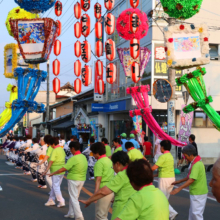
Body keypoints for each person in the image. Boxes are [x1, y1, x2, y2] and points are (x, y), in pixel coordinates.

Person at [80, 151, 136, 220]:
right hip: (132, 209)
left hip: (121, 208)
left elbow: (102, 192)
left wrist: (89, 200)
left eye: (113, 165)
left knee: (100, 215)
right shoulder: (133, 171)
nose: (113, 167)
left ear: (117, 164)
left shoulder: (122, 175)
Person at [49, 141, 88, 220]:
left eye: (70, 149)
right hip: (82, 179)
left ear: (73, 148)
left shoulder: (73, 158)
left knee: (74, 198)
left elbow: (63, 168)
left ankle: (79, 216)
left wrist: (53, 173)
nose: (70, 151)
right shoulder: (83, 157)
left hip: (73, 179)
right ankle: (71, 213)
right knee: (73, 197)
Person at [171, 144, 208, 220]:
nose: (185, 158)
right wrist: (179, 181)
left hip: (198, 193)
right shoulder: (196, 162)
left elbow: (191, 179)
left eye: (185, 156)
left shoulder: (196, 164)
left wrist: (179, 188)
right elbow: (190, 176)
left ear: (191, 155)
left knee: (196, 214)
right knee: (192, 213)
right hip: (197, 192)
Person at [151, 140, 178, 220]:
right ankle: (166, 215)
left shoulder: (162, 157)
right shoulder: (170, 156)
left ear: (162, 147)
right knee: (165, 198)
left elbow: (154, 167)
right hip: (171, 178)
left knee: (161, 198)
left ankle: (172, 212)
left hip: (164, 179)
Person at [90, 142, 114, 220]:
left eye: (93, 153)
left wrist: (95, 194)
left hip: (103, 190)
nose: (93, 155)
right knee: (103, 214)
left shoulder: (99, 163)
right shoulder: (108, 160)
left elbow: (98, 179)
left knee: (100, 215)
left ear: (97, 153)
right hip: (111, 189)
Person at [43, 137, 66, 208]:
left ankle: (61, 201)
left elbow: (51, 161)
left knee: (55, 186)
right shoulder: (61, 149)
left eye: (51, 144)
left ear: (53, 144)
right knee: (55, 186)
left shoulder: (54, 150)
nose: (51, 146)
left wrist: (46, 170)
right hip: (62, 170)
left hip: (55, 170)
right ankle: (51, 200)